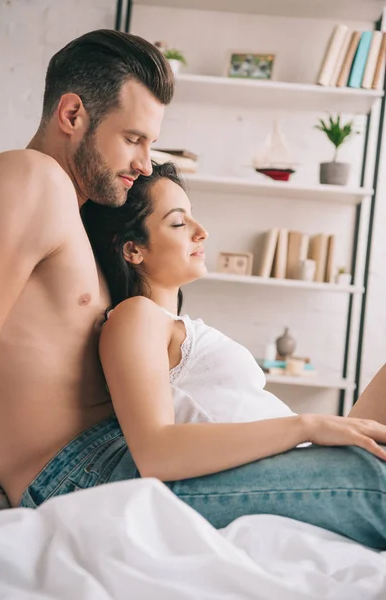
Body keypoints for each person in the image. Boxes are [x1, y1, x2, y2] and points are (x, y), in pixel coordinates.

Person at [75, 161, 386, 551]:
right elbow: (155, 452)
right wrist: (306, 426)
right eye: (178, 223)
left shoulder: (176, 323)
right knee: (376, 479)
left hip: (303, 457)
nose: (201, 231)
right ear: (133, 249)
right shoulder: (136, 318)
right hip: (284, 460)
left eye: (193, 217)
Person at [0, 29, 174, 508]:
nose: (146, 164)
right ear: (72, 115)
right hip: (83, 473)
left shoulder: (76, 219)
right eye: (133, 139)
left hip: (120, 458)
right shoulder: (32, 178)